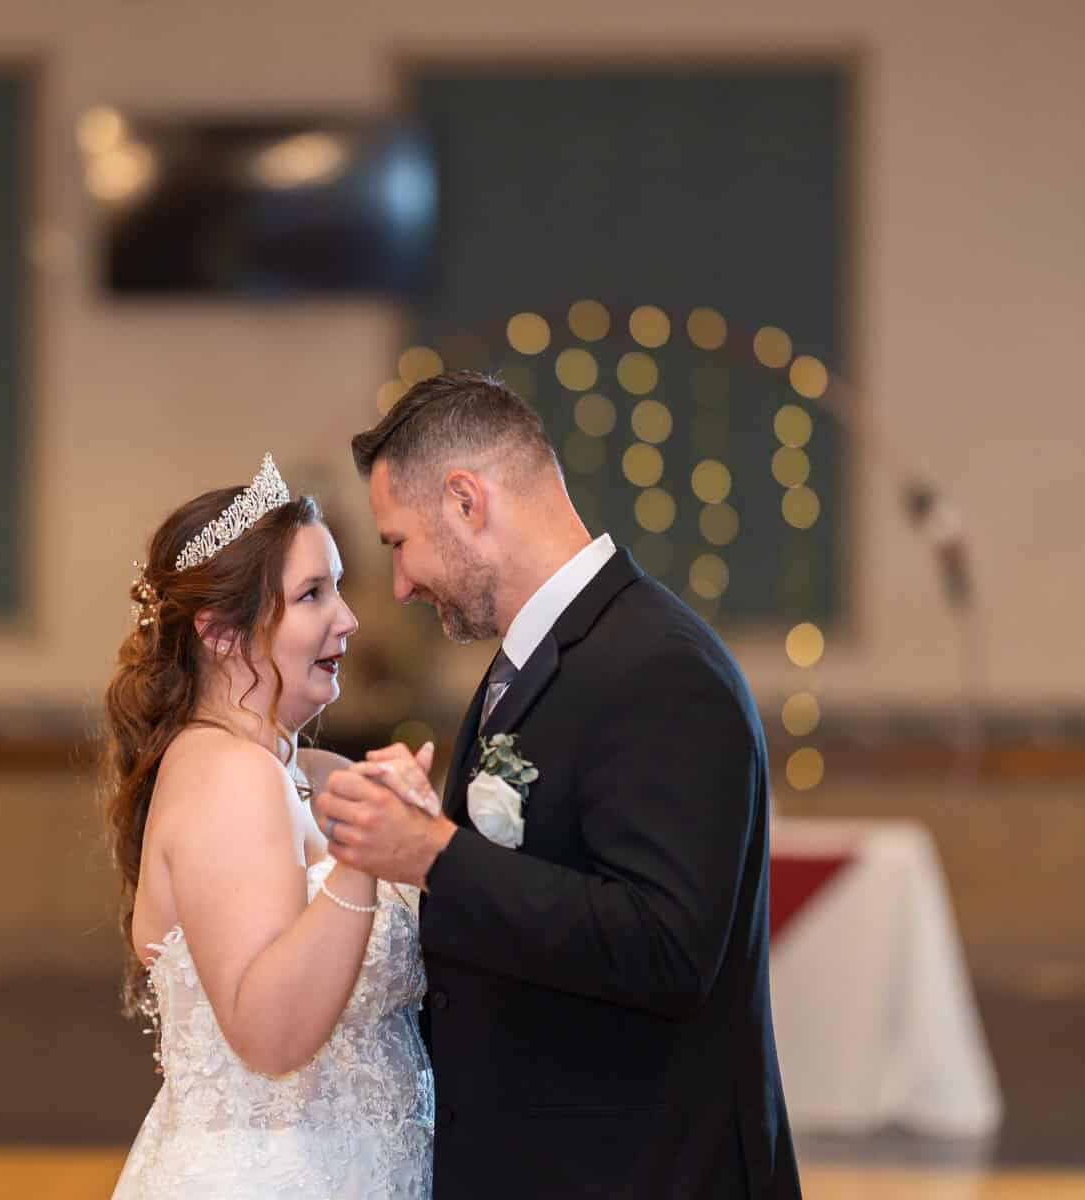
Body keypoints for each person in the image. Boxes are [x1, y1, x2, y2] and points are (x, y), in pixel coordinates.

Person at [313, 372, 802, 1199]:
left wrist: (437, 855)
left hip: (642, 1172)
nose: (397, 583)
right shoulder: (541, 656)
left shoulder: (659, 667)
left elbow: (668, 947)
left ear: (466, 500)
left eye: (398, 543)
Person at [105, 454, 433, 1199]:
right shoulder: (230, 776)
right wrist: (360, 858)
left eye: (339, 587)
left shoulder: (306, 775)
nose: (347, 618)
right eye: (312, 594)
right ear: (221, 632)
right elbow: (269, 1037)